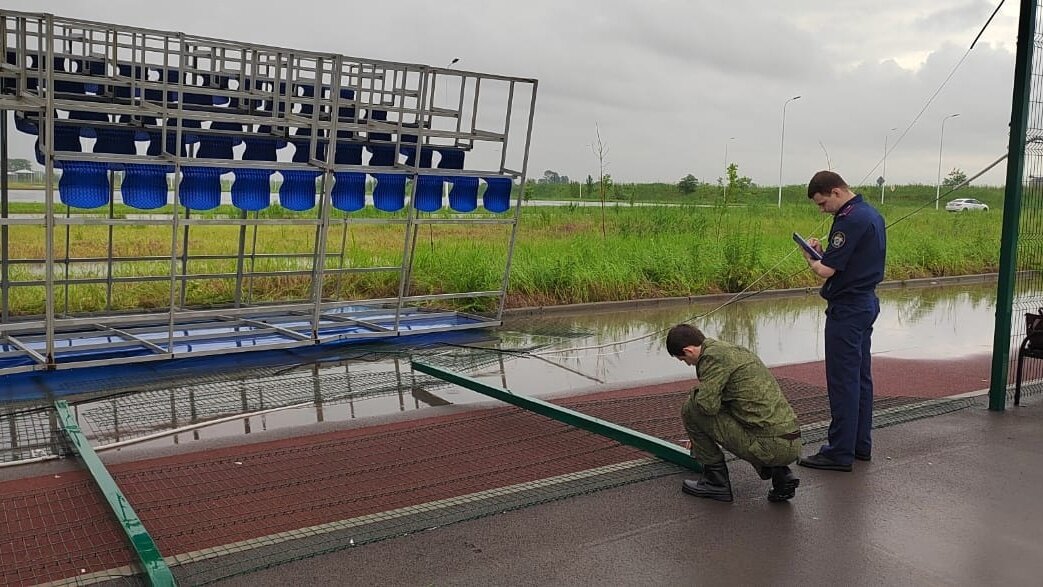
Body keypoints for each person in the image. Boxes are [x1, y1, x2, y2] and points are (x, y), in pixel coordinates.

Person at [798, 170, 886, 472]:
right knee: (861, 379)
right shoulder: (870, 214)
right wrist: (824, 255)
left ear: (836, 192)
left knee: (843, 382)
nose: (822, 210)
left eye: (823, 204)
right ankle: (860, 444)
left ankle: (839, 451)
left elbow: (826, 272)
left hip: (847, 309)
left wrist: (810, 258)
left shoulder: (849, 220)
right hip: (865, 303)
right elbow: (844, 259)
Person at [666, 324, 802, 503]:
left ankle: (716, 482)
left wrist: (699, 439)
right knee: (748, 414)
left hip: (770, 448)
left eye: (682, 359)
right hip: (793, 441)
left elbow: (706, 407)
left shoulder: (711, 359)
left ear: (688, 350)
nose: (686, 363)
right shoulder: (733, 350)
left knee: (691, 409)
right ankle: (781, 474)